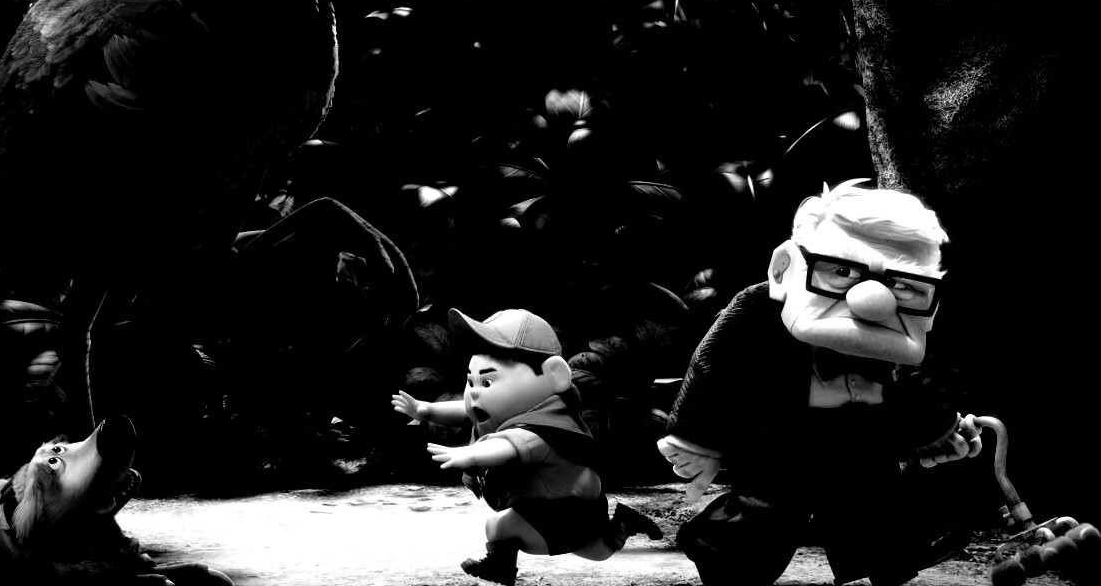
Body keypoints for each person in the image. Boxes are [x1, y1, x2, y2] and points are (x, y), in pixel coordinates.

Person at [657, 179, 983, 586]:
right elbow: (714, 365)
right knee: (764, 510)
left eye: (901, 285)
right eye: (843, 271)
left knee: (874, 503)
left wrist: (939, 428)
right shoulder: (758, 309)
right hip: (780, 434)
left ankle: (892, 561)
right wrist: (695, 439)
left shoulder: (893, 330)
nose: (872, 300)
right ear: (784, 268)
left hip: (858, 435)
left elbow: (907, 385)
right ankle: (722, 555)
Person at [393, 307, 661, 586]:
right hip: (550, 507)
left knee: (500, 526)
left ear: (554, 375)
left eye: (487, 382)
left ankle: (501, 568)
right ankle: (625, 522)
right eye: (471, 381)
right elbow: (465, 410)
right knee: (599, 551)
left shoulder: (544, 429)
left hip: (568, 510)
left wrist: (469, 454)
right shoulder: (501, 410)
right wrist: (425, 410)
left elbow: (506, 447)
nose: (474, 392)